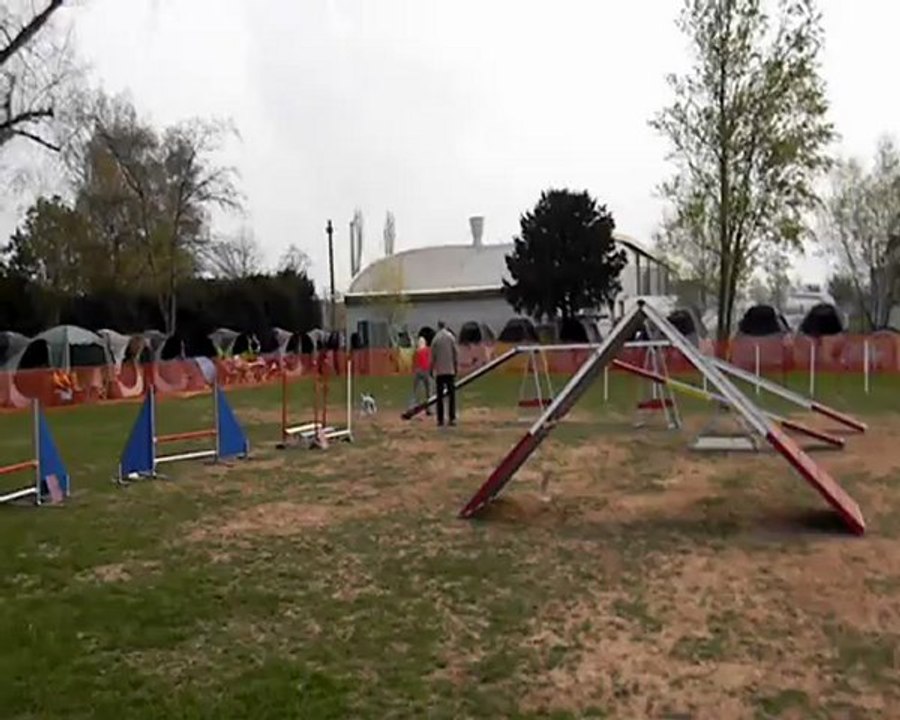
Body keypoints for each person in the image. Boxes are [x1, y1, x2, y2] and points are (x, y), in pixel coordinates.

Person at [430, 321, 458, 427]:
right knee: (451, 396)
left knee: (440, 397)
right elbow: (455, 353)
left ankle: (440, 419)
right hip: (450, 370)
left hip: (440, 372)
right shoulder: (451, 337)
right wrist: (455, 367)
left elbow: (433, 356)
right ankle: (452, 418)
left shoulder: (436, 339)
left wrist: (431, 369)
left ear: (438, 326)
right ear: (445, 325)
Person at [409, 335, 433, 415]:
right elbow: (429, 361)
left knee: (415, 391)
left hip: (418, 370)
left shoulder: (417, 351)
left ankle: (412, 407)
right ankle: (429, 409)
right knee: (429, 391)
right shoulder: (427, 350)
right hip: (425, 370)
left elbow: (414, 362)